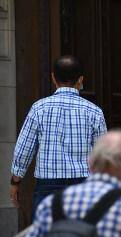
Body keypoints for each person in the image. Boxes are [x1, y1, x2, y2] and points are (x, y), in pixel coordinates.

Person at [9, 55, 107, 220]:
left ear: (53, 77)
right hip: (83, 187)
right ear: (81, 80)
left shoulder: (39, 108)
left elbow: (23, 150)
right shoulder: (94, 111)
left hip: (47, 186)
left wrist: (15, 182)